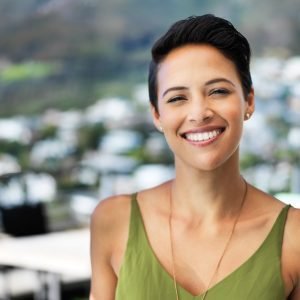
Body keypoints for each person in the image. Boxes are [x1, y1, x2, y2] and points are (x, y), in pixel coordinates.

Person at [89, 14, 300, 300]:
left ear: (248, 100)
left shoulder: (293, 238)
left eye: (218, 91)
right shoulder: (114, 221)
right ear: (156, 115)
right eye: (177, 98)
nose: (199, 113)